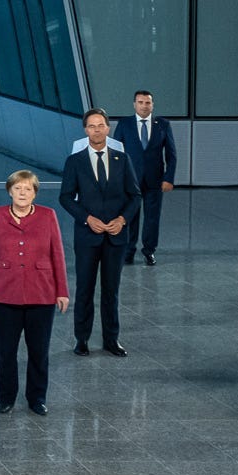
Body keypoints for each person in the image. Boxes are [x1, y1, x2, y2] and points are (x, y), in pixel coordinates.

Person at [0, 170, 68, 415]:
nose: (22, 193)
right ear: (10, 191)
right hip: (3, 294)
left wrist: (61, 290)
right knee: (6, 351)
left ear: (34, 193)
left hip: (41, 293)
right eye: (18, 188)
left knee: (39, 351)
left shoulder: (47, 215)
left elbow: (57, 255)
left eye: (27, 189)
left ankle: (37, 398)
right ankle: (6, 397)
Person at [59, 109, 141, 357]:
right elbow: (65, 197)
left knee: (111, 291)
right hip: (87, 236)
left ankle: (111, 340)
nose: (96, 130)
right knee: (84, 289)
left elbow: (135, 196)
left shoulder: (122, 159)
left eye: (100, 125)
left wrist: (122, 220)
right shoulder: (75, 161)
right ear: (85, 131)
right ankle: (81, 339)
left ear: (107, 129)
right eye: (91, 126)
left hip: (115, 237)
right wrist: (87, 219)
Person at [112, 91, 177, 267]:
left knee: (152, 218)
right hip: (129, 180)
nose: (144, 106)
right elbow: (116, 153)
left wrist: (168, 178)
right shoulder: (124, 124)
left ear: (152, 105)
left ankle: (149, 251)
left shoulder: (162, 125)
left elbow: (171, 154)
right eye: (140, 102)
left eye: (147, 103)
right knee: (129, 216)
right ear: (134, 104)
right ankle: (128, 252)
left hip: (155, 180)